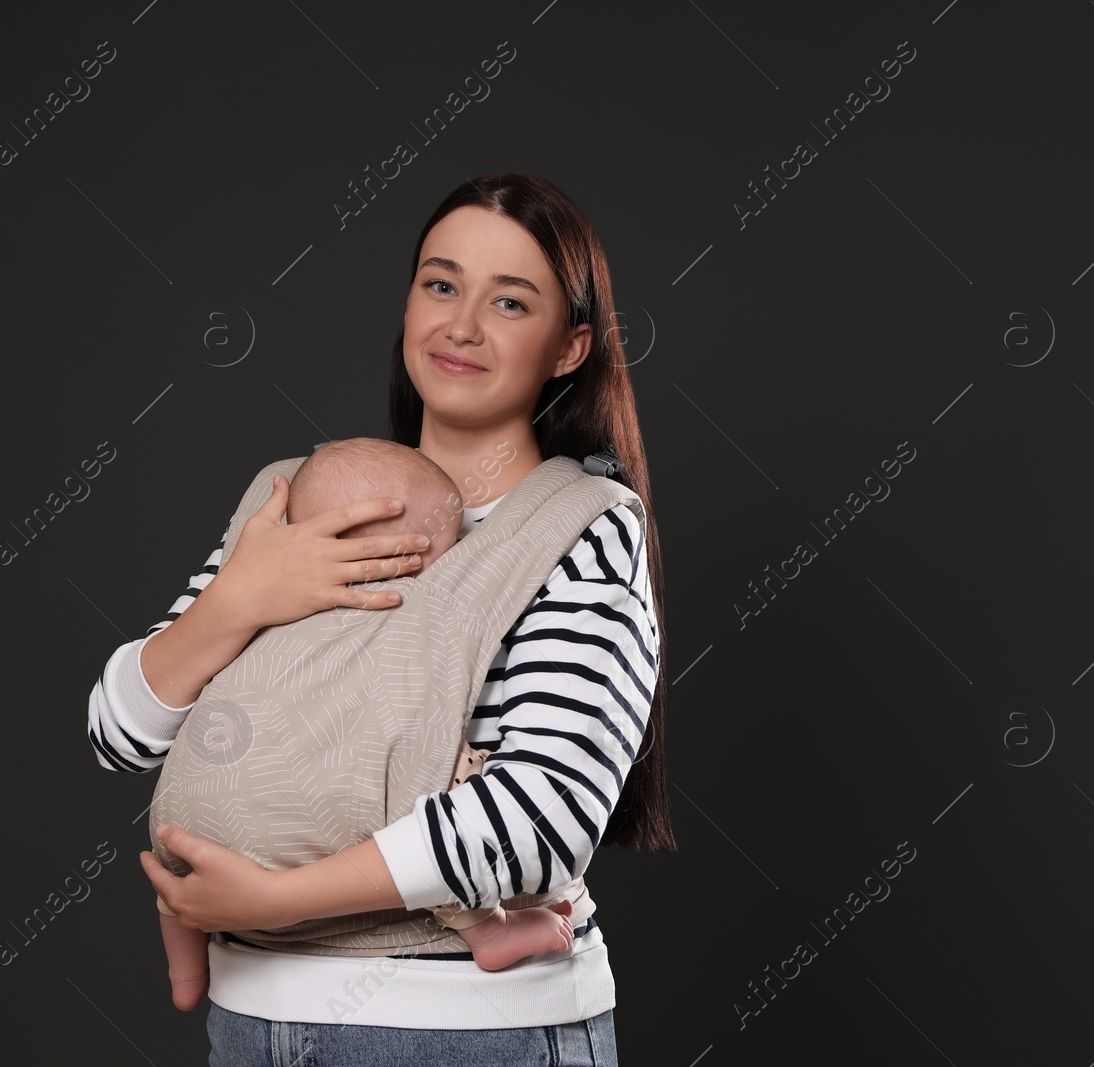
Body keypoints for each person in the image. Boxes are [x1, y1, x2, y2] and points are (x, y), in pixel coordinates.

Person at [87, 173, 673, 1064]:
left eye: (510, 302)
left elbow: (541, 817)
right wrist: (241, 597)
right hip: (251, 1029)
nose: (462, 324)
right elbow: (118, 734)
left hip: (470, 1036)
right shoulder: (297, 499)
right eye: (441, 284)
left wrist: (279, 899)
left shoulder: (581, 528)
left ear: (570, 346)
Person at [153, 435, 583, 1011]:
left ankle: (185, 976)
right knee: (439, 775)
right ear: (418, 549)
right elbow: (529, 814)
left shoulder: (268, 591)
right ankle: (489, 931)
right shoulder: (415, 608)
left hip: (188, 812)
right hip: (326, 817)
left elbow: (129, 731)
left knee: (174, 872)